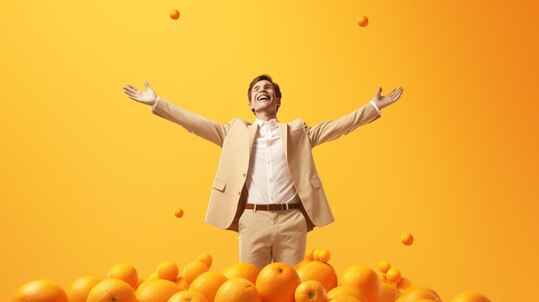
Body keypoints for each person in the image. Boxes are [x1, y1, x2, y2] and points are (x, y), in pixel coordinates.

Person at [123, 74, 403, 269]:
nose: (262, 90)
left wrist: (373, 107)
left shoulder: (297, 132)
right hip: (252, 218)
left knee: (291, 293)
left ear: (277, 100)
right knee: (249, 292)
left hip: (292, 218)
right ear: (251, 104)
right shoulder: (234, 132)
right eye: (257, 89)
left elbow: (339, 127)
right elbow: (194, 123)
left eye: (268, 88)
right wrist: (157, 102)